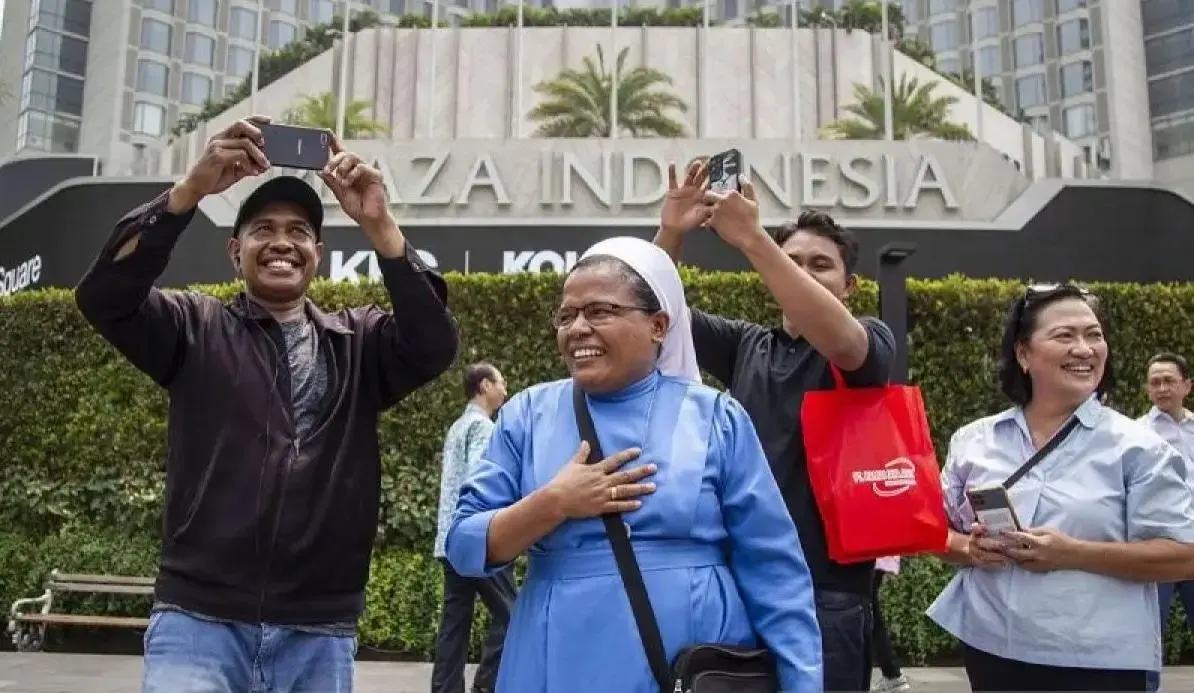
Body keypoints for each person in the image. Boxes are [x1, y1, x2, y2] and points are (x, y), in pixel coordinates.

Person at [74, 115, 459, 693]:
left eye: (299, 231)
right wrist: (191, 189)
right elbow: (104, 295)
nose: (282, 242)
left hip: (318, 632)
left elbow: (434, 344)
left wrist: (380, 224)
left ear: (317, 254)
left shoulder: (360, 342)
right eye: (263, 230)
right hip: (198, 622)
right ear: (236, 251)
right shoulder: (193, 327)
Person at [444, 236, 823, 693]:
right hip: (555, 663)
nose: (577, 328)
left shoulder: (716, 418)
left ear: (659, 326)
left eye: (599, 311)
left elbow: (774, 569)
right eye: (566, 315)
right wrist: (554, 502)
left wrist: (803, 682)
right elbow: (463, 545)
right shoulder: (526, 416)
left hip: (693, 667)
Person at [654, 161, 896, 691]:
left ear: (850, 285)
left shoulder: (868, 337)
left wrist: (755, 239)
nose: (803, 272)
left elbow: (847, 345)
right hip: (741, 580)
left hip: (828, 595)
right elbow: (658, 313)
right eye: (792, 262)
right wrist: (671, 232)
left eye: (821, 265)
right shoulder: (748, 345)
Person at [927, 283, 1194, 692]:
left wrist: (1071, 553)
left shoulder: (1139, 447)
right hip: (991, 648)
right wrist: (968, 549)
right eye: (1065, 335)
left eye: (1094, 335)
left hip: (1097, 662)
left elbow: (1183, 557)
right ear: (1023, 354)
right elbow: (932, 529)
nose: (1084, 349)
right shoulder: (975, 440)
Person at [431, 363, 516, 693]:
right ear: (484, 386)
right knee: (515, 614)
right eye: (501, 383)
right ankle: (486, 685)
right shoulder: (483, 427)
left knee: (454, 624)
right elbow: (482, 484)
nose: (505, 390)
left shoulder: (457, 426)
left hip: (450, 539)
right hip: (479, 539)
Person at [1137, 352, 1194, 693]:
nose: (1161, 388)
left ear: (1187, 385)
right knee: (1148, 637)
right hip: (1157, 547)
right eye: (1155, 382)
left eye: (1169, 381)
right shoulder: (1135, 434)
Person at [869, 557, 910, 693]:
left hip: (866, 556)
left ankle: (892, 673)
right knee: (870, 613)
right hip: (872, 556)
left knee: (869, 614)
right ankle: (892, 673)